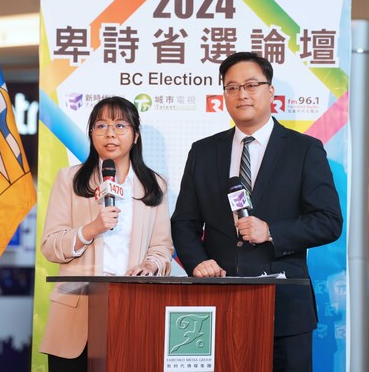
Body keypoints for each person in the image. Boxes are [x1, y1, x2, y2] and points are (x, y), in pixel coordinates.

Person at [171, 52, 343, 371]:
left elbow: (329, 222)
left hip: (284, 309)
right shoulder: (204, 151)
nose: (242, 94)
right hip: (217, 304)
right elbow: (184, 221)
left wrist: (271, 231)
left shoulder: (304, 150)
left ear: (270, 92)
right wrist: (198, 262)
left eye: (251, 85)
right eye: (232, 87)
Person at [40, 96, 174, 371]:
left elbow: (162, 247)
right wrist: (92, 229)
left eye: (120, 125)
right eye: (101, 126)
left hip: (132, 311)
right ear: (91, 134)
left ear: (135, 135)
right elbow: (51, 246)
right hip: (76, 316)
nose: (110, 134)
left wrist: (151, 265)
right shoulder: (69, 179)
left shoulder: (154, 184)